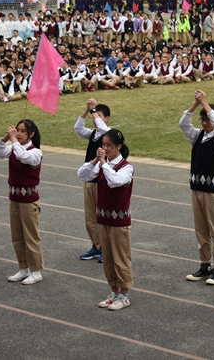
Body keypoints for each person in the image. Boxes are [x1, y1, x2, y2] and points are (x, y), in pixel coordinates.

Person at [77, 129, 134, 311]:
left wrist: (103, 163)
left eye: (110, 145)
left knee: (120, 258)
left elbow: (115, 181)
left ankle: (124, 295)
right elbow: (82, 175)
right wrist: (96, 160)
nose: (106, 148)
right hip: (103, 219)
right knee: (108, 259)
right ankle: (114, 292)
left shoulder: (126, 167)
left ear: (119, 147)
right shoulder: (102, 165)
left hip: (119, 222)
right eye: (103, 145)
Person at [180, 90, 214, 285]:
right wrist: (195, 105)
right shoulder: (198, 135)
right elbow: (183, 124)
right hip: (197, 189)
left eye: (207, 119)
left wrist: (205, 103)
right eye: (202, 119)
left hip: (213, 192)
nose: (204, 123)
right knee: (201, 230)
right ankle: (204, 265)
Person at [0, 119, 45, 285]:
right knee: (17, 236)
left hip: (28, 201)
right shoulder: (14, 148)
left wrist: (14, 140)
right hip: (14, 198)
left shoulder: (35, 152)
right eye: (18, 130)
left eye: (23, 131)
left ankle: (36, 270)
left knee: (31, 236)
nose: (19, 134)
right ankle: (24, 267)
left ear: (31, 134)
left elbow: (23, 157)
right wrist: (5, 138)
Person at [75, 99, 111, 263]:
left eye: (99, 116)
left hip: (102, 181)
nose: (95, 119)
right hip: (89, 180)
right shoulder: (93, 134)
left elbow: (102, 128)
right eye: (94, 116)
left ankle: (107, 248)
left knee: (103, 215)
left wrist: (93, 110)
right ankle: (97, 245)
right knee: (90, 216)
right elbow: (78, 128)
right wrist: (87, 110)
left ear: (107, 119)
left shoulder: (108, 134)